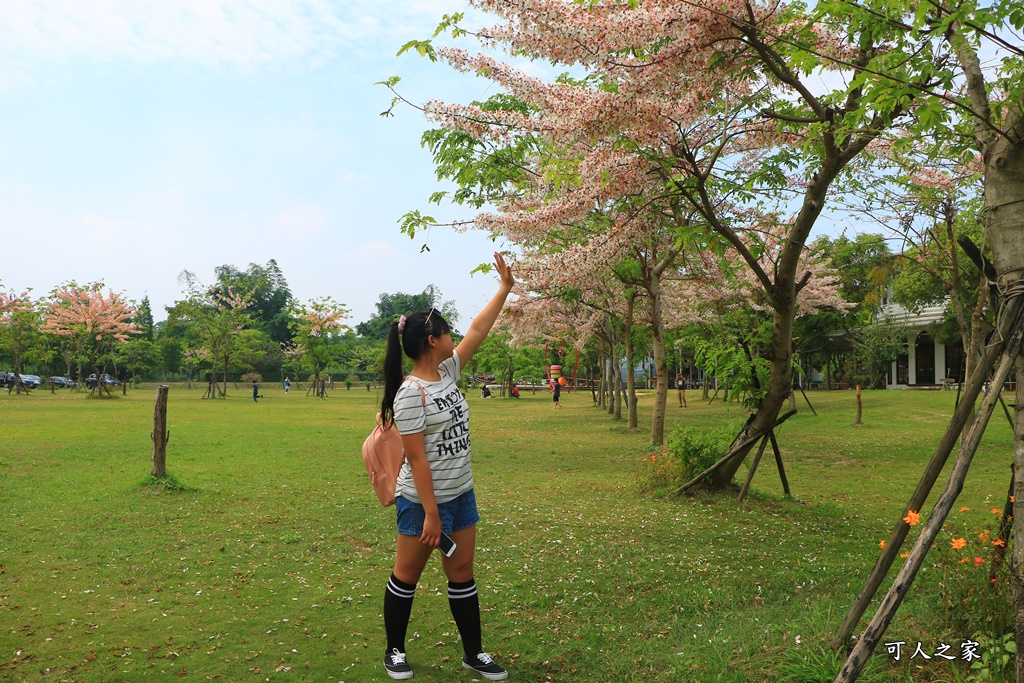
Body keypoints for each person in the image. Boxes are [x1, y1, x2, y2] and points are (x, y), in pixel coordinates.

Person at [378, 252, 514, 681]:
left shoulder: (449, 371)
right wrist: (433, 514)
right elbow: (416, 458)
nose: (454, 334)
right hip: (422, 503)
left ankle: (473, 654)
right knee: (407, 575)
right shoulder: (410, 394)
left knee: (462, 573)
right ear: (431, 340)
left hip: (461, 493)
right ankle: (394, 651)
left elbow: (478, 328)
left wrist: (504, 289)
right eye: (445, 330)